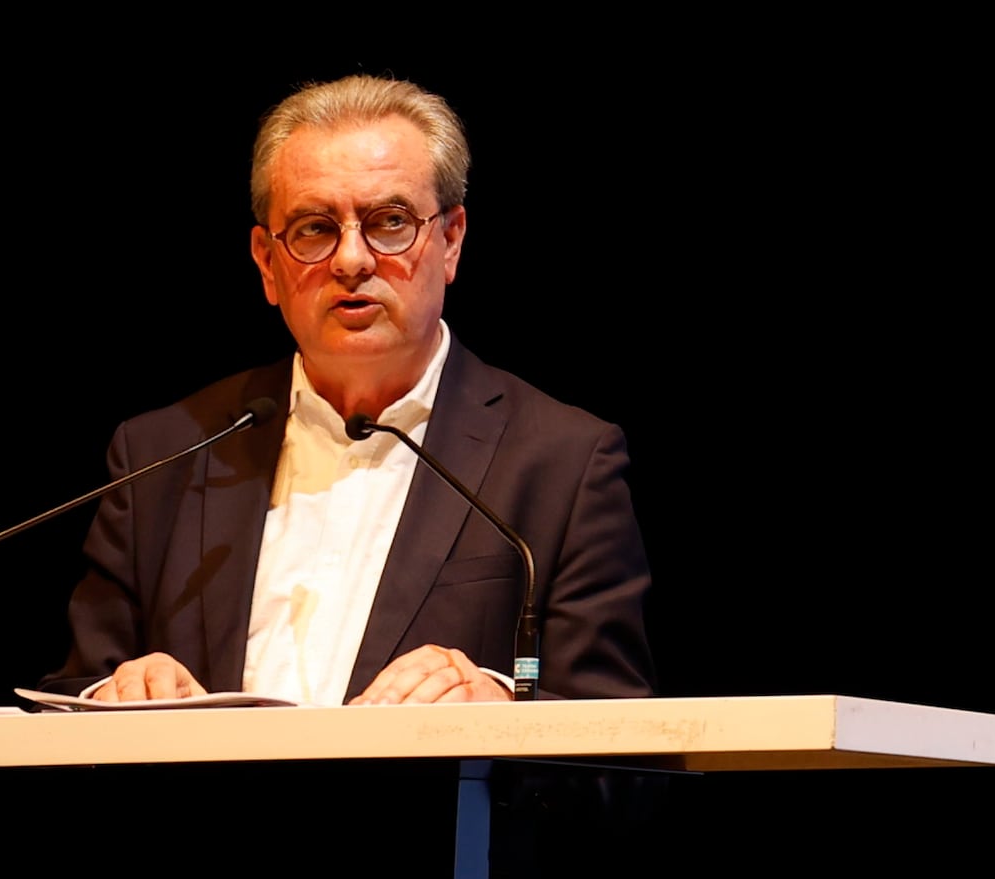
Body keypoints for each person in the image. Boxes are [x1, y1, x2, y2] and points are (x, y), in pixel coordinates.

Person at [51, 74, 653, 705]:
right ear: (266, 262)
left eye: (389, 222)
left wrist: (500, 709)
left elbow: (622, 757)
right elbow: (68, 696)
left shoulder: (562, 464)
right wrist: (113, 696)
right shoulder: (161, 457)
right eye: (314, 228)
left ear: (451, 240)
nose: (351, 260)